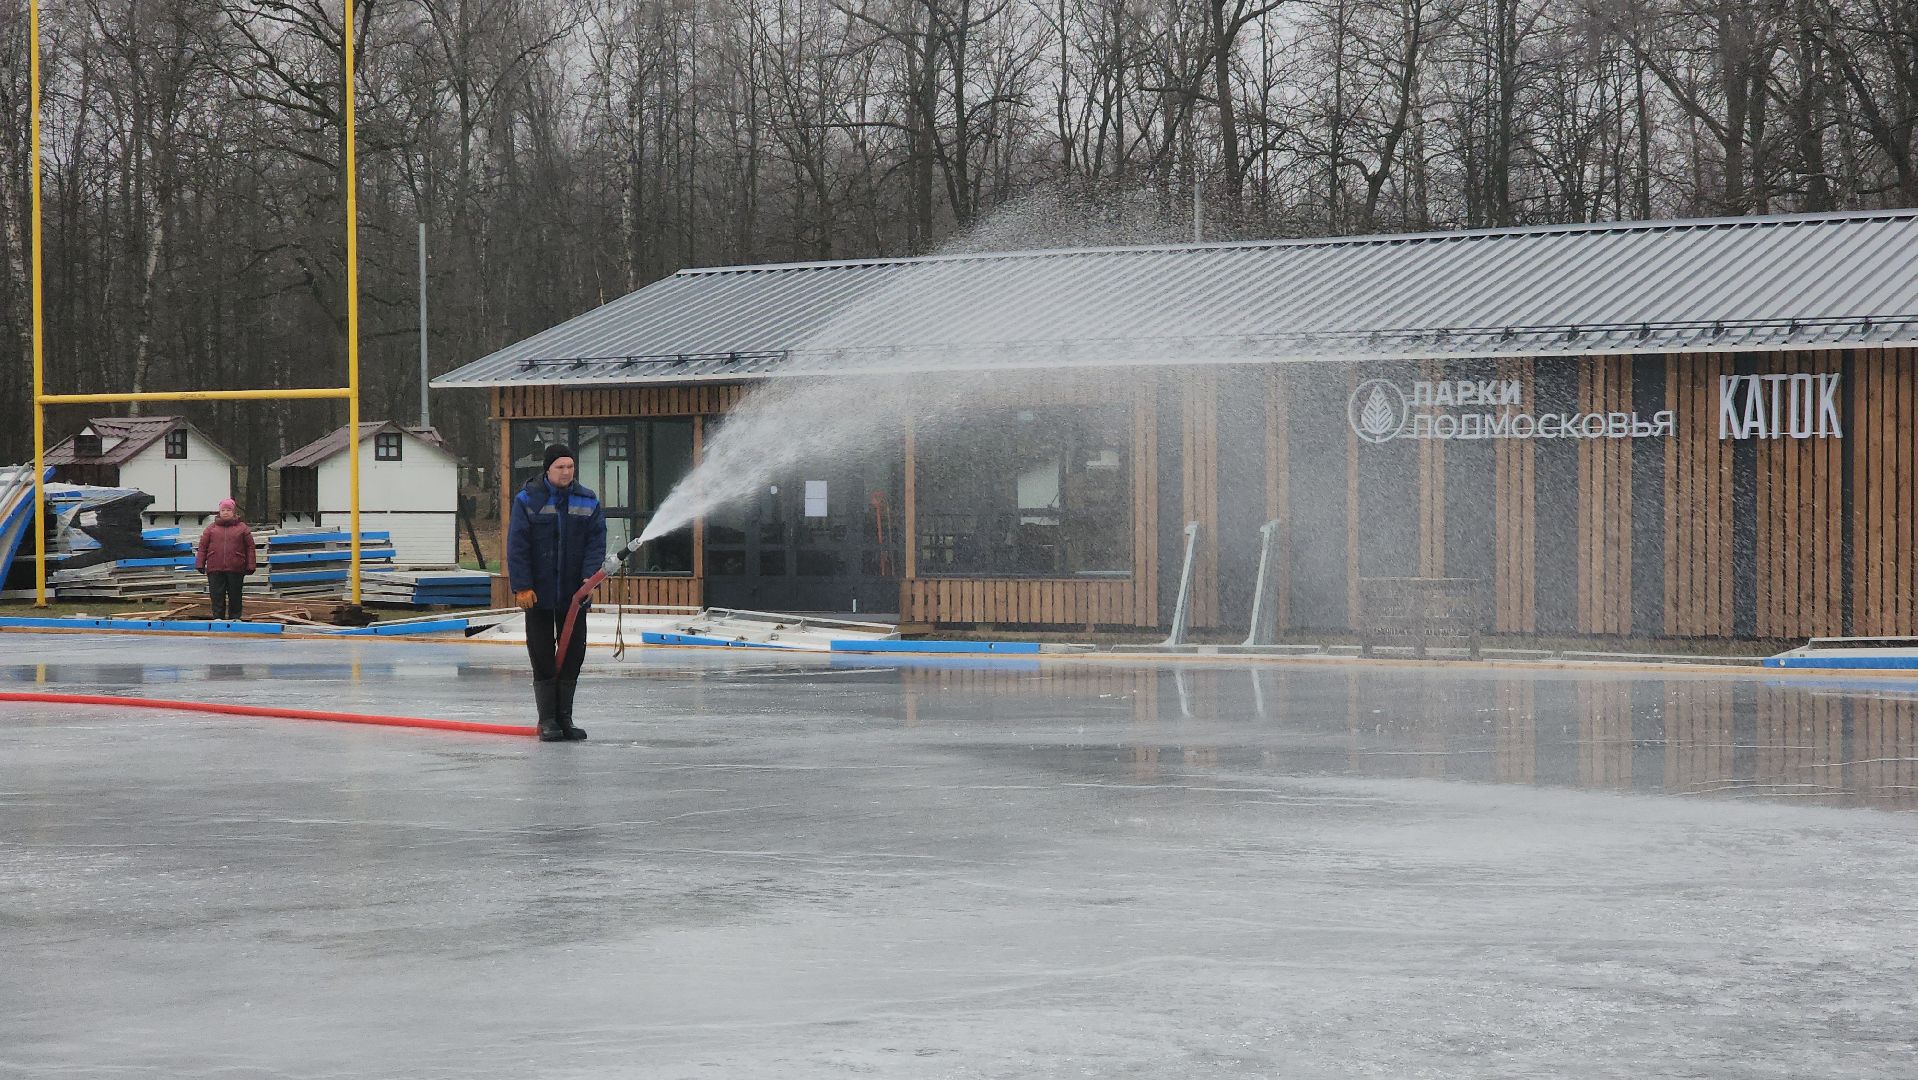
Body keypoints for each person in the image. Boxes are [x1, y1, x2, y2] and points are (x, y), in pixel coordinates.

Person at [507, 443, 606, 742]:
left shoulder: (587, 500)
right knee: (542, 654)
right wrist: (522, 585)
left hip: (575, 594)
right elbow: (518, 544)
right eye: (560, 467)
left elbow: (596, 541)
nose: (566, 472)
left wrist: (590, 578)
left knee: (574, 652)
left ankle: (565, 717)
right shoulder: (527, 499)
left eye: (570, 466)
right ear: (547, 469)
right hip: (538, 592)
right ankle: (547, 719)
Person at [195, 498, 257, 621]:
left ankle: (235, 618)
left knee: (235, 594)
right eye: (223, 510)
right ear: (219, 512)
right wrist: (200, 564)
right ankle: (218, 618)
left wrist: (251, 565)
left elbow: (250, 547)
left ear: (233, 512)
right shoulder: (210, 529)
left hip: (236, 567)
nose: (225, 512)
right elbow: (202, 547)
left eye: (228, 510)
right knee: (216, 595)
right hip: (215, 568)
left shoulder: (242, 528)